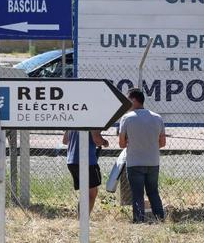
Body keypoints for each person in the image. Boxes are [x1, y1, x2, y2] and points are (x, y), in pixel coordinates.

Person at [119, 88, 166, 223]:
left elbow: (121, 144)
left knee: (137, 194)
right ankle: (160, 218)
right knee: (153, 192)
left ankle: (139, 220)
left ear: (134, 100)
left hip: (134, 162)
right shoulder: (157, 117)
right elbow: (162, 143)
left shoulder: (127, 118)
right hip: (153, 161)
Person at [62, 130, 109, 214]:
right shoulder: (90, 119)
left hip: (72, 161)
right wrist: (104, 142)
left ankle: (81, 219)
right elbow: (97, 140)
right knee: (91, 194)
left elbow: (65, 140)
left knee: (84, 193)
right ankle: (83, 220)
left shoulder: (74, 120)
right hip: (87, 161)